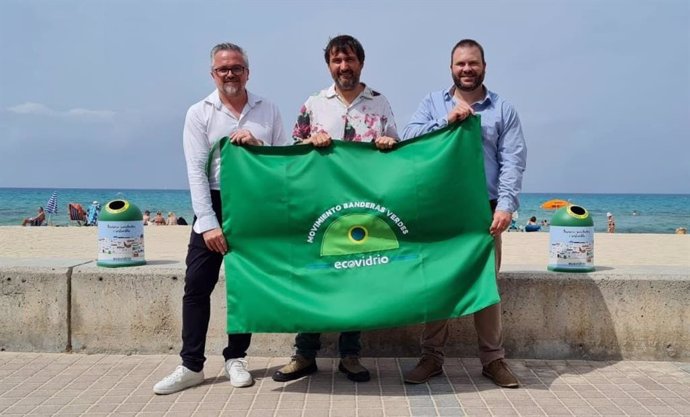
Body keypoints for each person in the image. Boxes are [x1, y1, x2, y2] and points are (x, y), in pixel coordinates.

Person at [153, 42, 289, 395]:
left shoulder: (268, 109)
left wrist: (258, 146)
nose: (231, 74)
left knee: (244, 286)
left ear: (248, 71)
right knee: (197, 286)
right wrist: (209, 222)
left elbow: (283, 163)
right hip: (213, 201)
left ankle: (236, 358)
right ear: (213, 73)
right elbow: (196, 171)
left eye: (237, 67)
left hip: (253, 203)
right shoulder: (199, 112)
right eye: (223, 69)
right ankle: (191, 365)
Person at [272, 35, 399, 385]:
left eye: (350, 59)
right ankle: (304, 354)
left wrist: (389, 145)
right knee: (314, 276)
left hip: (362, 208)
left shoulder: (380, 103)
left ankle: (351, 355)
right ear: (329, 65)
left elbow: (396, 153)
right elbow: (293, 152)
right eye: (336, 60)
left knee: (356, 277)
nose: (344, 66)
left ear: (361, 62)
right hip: (320, 209)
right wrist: (308, 143)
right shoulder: (314, 104)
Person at [401, 39, 526, 388]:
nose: (466, 69)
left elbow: (513, 161)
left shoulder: (503, 109)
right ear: (451, 68)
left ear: (484, 66)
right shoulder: (433, 102)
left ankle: (492, 360)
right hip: (440, 210)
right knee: (437, 284)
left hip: (483, 214)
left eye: (473, 63)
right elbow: (409, 138)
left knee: (486, 287)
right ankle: (431, 358)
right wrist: (446, 120)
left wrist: (505, 207)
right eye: (460, 64)